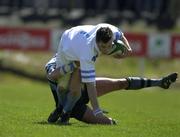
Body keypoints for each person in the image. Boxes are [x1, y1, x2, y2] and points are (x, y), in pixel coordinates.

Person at [45, 23, 132, 124]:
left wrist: (129, 49)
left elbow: (121, 35)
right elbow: (90, 85)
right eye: (103, 46)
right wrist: (97, 110)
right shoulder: (88, 53)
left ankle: (65, 114)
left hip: (77, 39)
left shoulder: (111, 32)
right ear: (96, 41)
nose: (107, 50)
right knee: (62, 86)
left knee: (75, 90)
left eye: (109, 46)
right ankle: (59, 108)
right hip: (67, 44)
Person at [49, 72, 178, 125]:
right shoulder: (53, 69)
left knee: (120, 83)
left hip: (85, 89)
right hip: (75, 108)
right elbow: (58, 96)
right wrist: (60, 110)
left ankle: (160, 82)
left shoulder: (76, 58)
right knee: (109, 123)